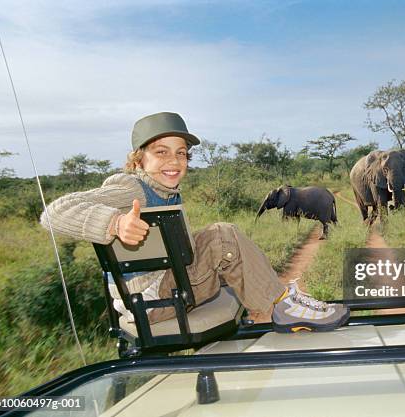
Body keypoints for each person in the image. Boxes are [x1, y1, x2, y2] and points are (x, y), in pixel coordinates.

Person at [40, 112, 349, 333]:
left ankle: (281, 297)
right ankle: (284, 306)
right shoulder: (131, 187)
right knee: (222, 236)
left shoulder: (167, 192)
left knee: (221, 243)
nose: (174, 161)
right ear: (138, 160)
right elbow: (54, 212)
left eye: (181, 154)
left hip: (163, 289)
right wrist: (115, 222)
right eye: (161, 152)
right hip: (151, 300)